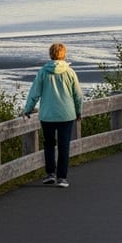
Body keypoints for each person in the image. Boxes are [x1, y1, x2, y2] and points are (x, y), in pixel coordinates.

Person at [22, 42, 83, 188]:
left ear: (50, 54)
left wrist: (27, 109)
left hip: (47, 115)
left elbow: (34, 93)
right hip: (66, 115)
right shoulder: (70, 72)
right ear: (64, 54)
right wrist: (79, 111)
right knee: (63, 146)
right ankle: (62, 177)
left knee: (49, 144)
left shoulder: (43, 72)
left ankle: (50, 173)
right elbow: (78, 95)